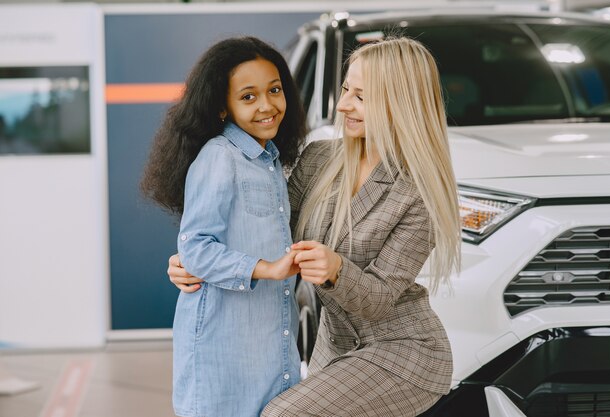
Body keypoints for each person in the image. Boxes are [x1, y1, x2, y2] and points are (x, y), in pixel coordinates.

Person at [169, 37, 461, 417]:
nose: (342, 106)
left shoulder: (418, 193)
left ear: (399, 103)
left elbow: (379, 299)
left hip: (403, 352)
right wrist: (196, 256)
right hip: (335, 349)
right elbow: (273, 235)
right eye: (344, 90)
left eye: (361, 96)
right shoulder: (319, 159)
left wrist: (336, 269)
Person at [140, 36, 307, 417]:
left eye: (275, 90)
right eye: (248, 97)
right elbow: (196, 247)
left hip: (268, 348)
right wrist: (267, 268)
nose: (267, 105)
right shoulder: (219, 157)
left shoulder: (270, 162)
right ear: (222, 108)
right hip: (223, 351)